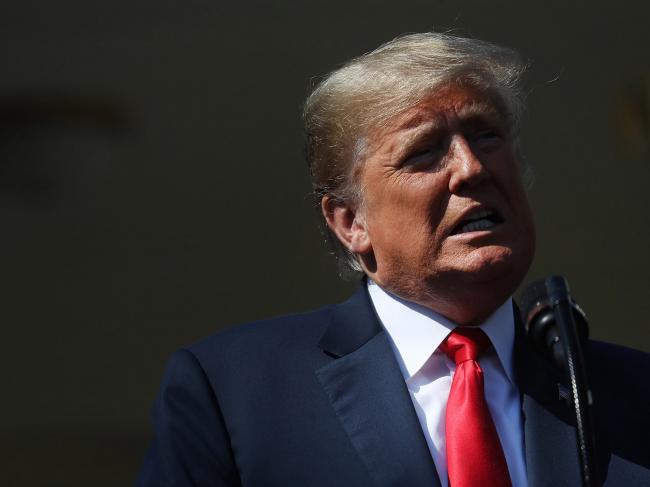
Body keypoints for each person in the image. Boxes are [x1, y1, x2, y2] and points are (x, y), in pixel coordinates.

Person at [136, 32, 650, 486]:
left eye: (486, 135)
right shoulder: (233, 394)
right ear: (350, 223)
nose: (471, 167)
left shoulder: (632, 394)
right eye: (424, 151)